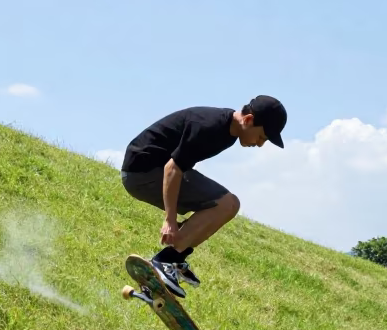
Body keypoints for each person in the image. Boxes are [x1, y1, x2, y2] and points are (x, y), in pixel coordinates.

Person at [120, 96, 287, 296]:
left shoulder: (227, 131)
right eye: (262, 137)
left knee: (227, 205)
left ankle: (172, 259)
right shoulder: (210, 126)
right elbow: (172, 169)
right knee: (227, 203)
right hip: (142, 173)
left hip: (150, 172)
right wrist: (170, 220)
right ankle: (166, 261)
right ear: (249, 120)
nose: (260, 144)